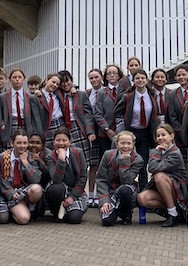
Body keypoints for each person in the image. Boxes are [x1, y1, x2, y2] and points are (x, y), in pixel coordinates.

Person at [57, 70, 98, 202]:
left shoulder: (80, 95)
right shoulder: (58, 95)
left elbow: (88, 113)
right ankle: (75, 191)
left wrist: (90, 131)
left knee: (86, 162)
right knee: (72, 162)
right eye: (62, 82)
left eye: (67, 81)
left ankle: (91, 193)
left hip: (80, 128)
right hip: (67, 131)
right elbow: (45, 86)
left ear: (71, 80)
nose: (65, 84)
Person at [115, 68, 159, 189]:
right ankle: (125, 189)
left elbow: (156, 113)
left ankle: (143, 192)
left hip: (145, 133)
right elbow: (117, 112)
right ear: (133, 81)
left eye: (142, 78)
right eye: (137, 78)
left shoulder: (152, 95)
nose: (140, 80)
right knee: (126, 161)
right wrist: (121, 127)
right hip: (130, 133)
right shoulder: (128, 97)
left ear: (146, 80)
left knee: (142, 164)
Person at [137, 123, 188, 228]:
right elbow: (152, 166)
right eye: (158, 136)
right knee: (142, 198)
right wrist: (156, 151)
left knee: (159, 176)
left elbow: (152, 168)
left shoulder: (175, 153)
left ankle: (172, 214)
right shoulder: (159, 150)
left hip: (179, 190)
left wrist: (155, 152)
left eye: (163, 135)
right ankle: (177, 210)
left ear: (172, 136)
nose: (160, 138)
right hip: (164, 189)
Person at [96, 130, 144, 226]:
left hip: (127, 191)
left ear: (133, 144)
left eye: (128, 143)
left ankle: (126, 215)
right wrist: (104, 201)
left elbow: (126, 180)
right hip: (110, 191)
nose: (125, 146)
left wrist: (125, 161)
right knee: (107, 222)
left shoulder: (138, 159)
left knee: (124, 189)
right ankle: (116, 211)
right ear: (116, 144)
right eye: (122, 143)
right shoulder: (107, 155)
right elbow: (101, 179)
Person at [0, 130, 44, 224]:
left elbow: (36, 179)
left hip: (23, 192)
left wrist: (25, 163)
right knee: (23, 219)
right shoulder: (2, 157)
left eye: (25, 143)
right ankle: (12, 210)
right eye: (18, 143)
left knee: (37, 189)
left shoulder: (31, 157)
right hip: (7, 191)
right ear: (12, 143)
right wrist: (10, 192)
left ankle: (26, 208)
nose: (22, 146)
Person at [44, 126, 88, 224]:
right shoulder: (50, 157)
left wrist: (72, 197)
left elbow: (83, 176)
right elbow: (56, 179)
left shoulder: (78, 153)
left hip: (74, 191)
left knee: (74, 219)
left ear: (70, 142)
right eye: (58, 140)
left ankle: (67, 210)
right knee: (56, 188)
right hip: (59, 189)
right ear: (53, 142)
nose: (61, 143)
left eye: (64, 140)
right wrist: (61, 160)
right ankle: (56, 213)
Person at [0, 68, 41, 150]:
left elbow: (35, 117)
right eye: (14, 77)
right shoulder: (3, 97)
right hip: (10, 124)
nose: (17, 79)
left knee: (23, 147)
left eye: (19, 77)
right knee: (9, 149)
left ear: (24, 80)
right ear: (9, 80)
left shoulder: (31, 97)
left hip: (25, 123)